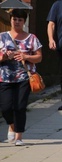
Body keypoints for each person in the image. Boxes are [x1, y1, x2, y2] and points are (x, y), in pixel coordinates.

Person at [0, 9, 43, 146]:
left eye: (20, 20)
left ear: (24, 22)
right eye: (14, 19)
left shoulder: (31, 38)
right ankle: (12, 125)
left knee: (20, 106)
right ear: (10, 20)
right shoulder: (2, 37)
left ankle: (19, 137)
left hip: (24, 77)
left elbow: (39, 57)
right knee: (6, 107)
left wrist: (26, 56)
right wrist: (5, 56)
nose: (17, 22)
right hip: (5, 77)